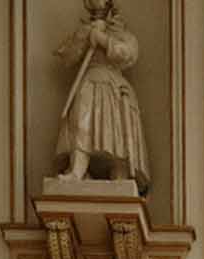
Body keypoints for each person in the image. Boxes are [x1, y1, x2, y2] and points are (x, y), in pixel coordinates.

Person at [54, 0, 151, 195]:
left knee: (117, 130)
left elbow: (129, 54)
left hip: (114, 84)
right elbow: (67, 57)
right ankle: (77, 170)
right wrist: (85, 36)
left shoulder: (122, 33)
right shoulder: (84, 30)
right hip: (89, 79)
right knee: (80, 123)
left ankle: (120, 173)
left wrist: (104, 40)